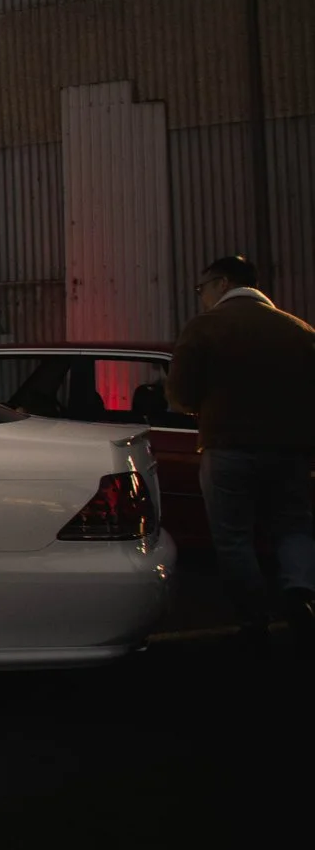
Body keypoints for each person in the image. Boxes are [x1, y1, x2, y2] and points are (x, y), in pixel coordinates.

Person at [168, 254, 315, 651]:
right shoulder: (300, 330)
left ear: (222, 283)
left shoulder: (205, 328)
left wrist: (202, 407)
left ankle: (254, 618)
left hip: (227, 447)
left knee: (233, 537)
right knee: (295, 525)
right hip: (292, 450)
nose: (201, 297)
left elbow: (180, 394)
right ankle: (300, 592)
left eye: (202, 289)